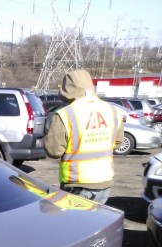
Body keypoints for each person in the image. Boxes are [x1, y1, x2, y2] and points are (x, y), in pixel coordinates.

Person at [44, 69, 123, 205]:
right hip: (105, 182)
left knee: (75, 225)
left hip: (78, 184)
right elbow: (118, 142)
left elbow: (53, 151)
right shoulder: (113, 111)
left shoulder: (65, 114)